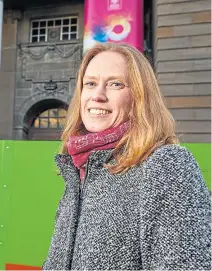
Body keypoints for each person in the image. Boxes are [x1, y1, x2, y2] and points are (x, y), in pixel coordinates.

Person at [42, 43, 211, 270]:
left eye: (115, 84)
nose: (97, 95)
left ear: (140, 97)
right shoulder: (78, 171)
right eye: (90, 84)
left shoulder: (166, 164)